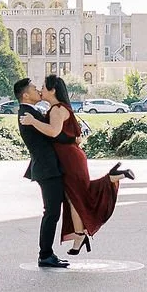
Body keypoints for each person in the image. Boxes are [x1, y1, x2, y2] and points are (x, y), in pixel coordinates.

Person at [18, 74, 133, 256]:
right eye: (36, 88)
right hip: (68, 158)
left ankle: (110, 180)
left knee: (78, 196)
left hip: (69, 160)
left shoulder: (56, 110)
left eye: (43, 87)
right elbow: (63, 134)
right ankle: (79, 235)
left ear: (53, 90)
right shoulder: (57, 108)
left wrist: (33, 121)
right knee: (75, 197)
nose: (40, 90)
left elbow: (54, 132)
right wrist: (72, 139)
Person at [15, 78, 69, 269]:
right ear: (25, 95)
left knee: (52, 212)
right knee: (51, 212)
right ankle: (45, 255)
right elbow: (52, 133)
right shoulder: (27, 114)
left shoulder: (31, 112)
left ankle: (47, 253)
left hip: (47, 167)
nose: (38, 90)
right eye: (33, 88)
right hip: (47, 168)